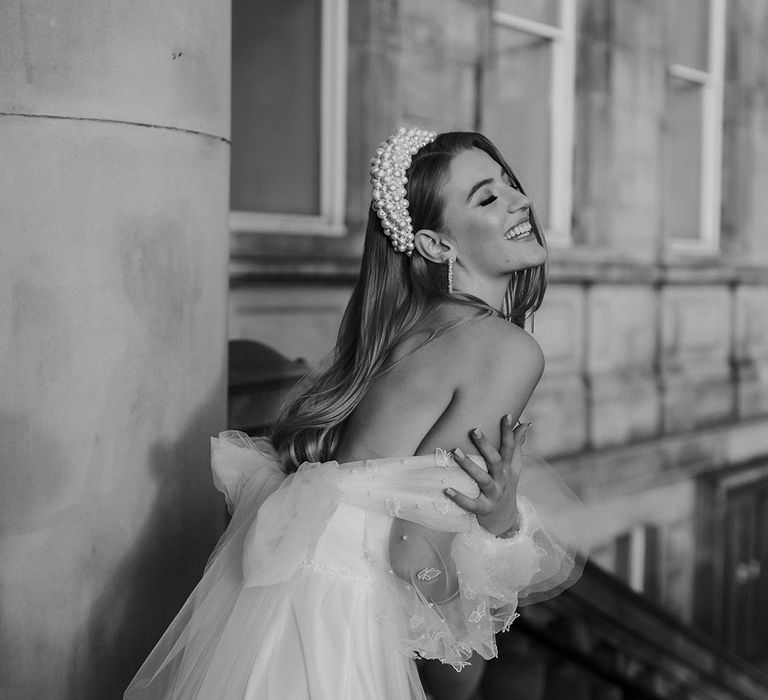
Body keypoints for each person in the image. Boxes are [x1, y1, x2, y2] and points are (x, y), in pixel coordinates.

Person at [124, 128, 584, 700]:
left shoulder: (405, 334)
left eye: (510, 184)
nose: (520, 200)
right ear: (437, 246)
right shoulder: (507, 349)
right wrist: (497, 534)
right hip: (339, 626)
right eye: (487, 197)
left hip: (288, 605)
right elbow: (413, 553)